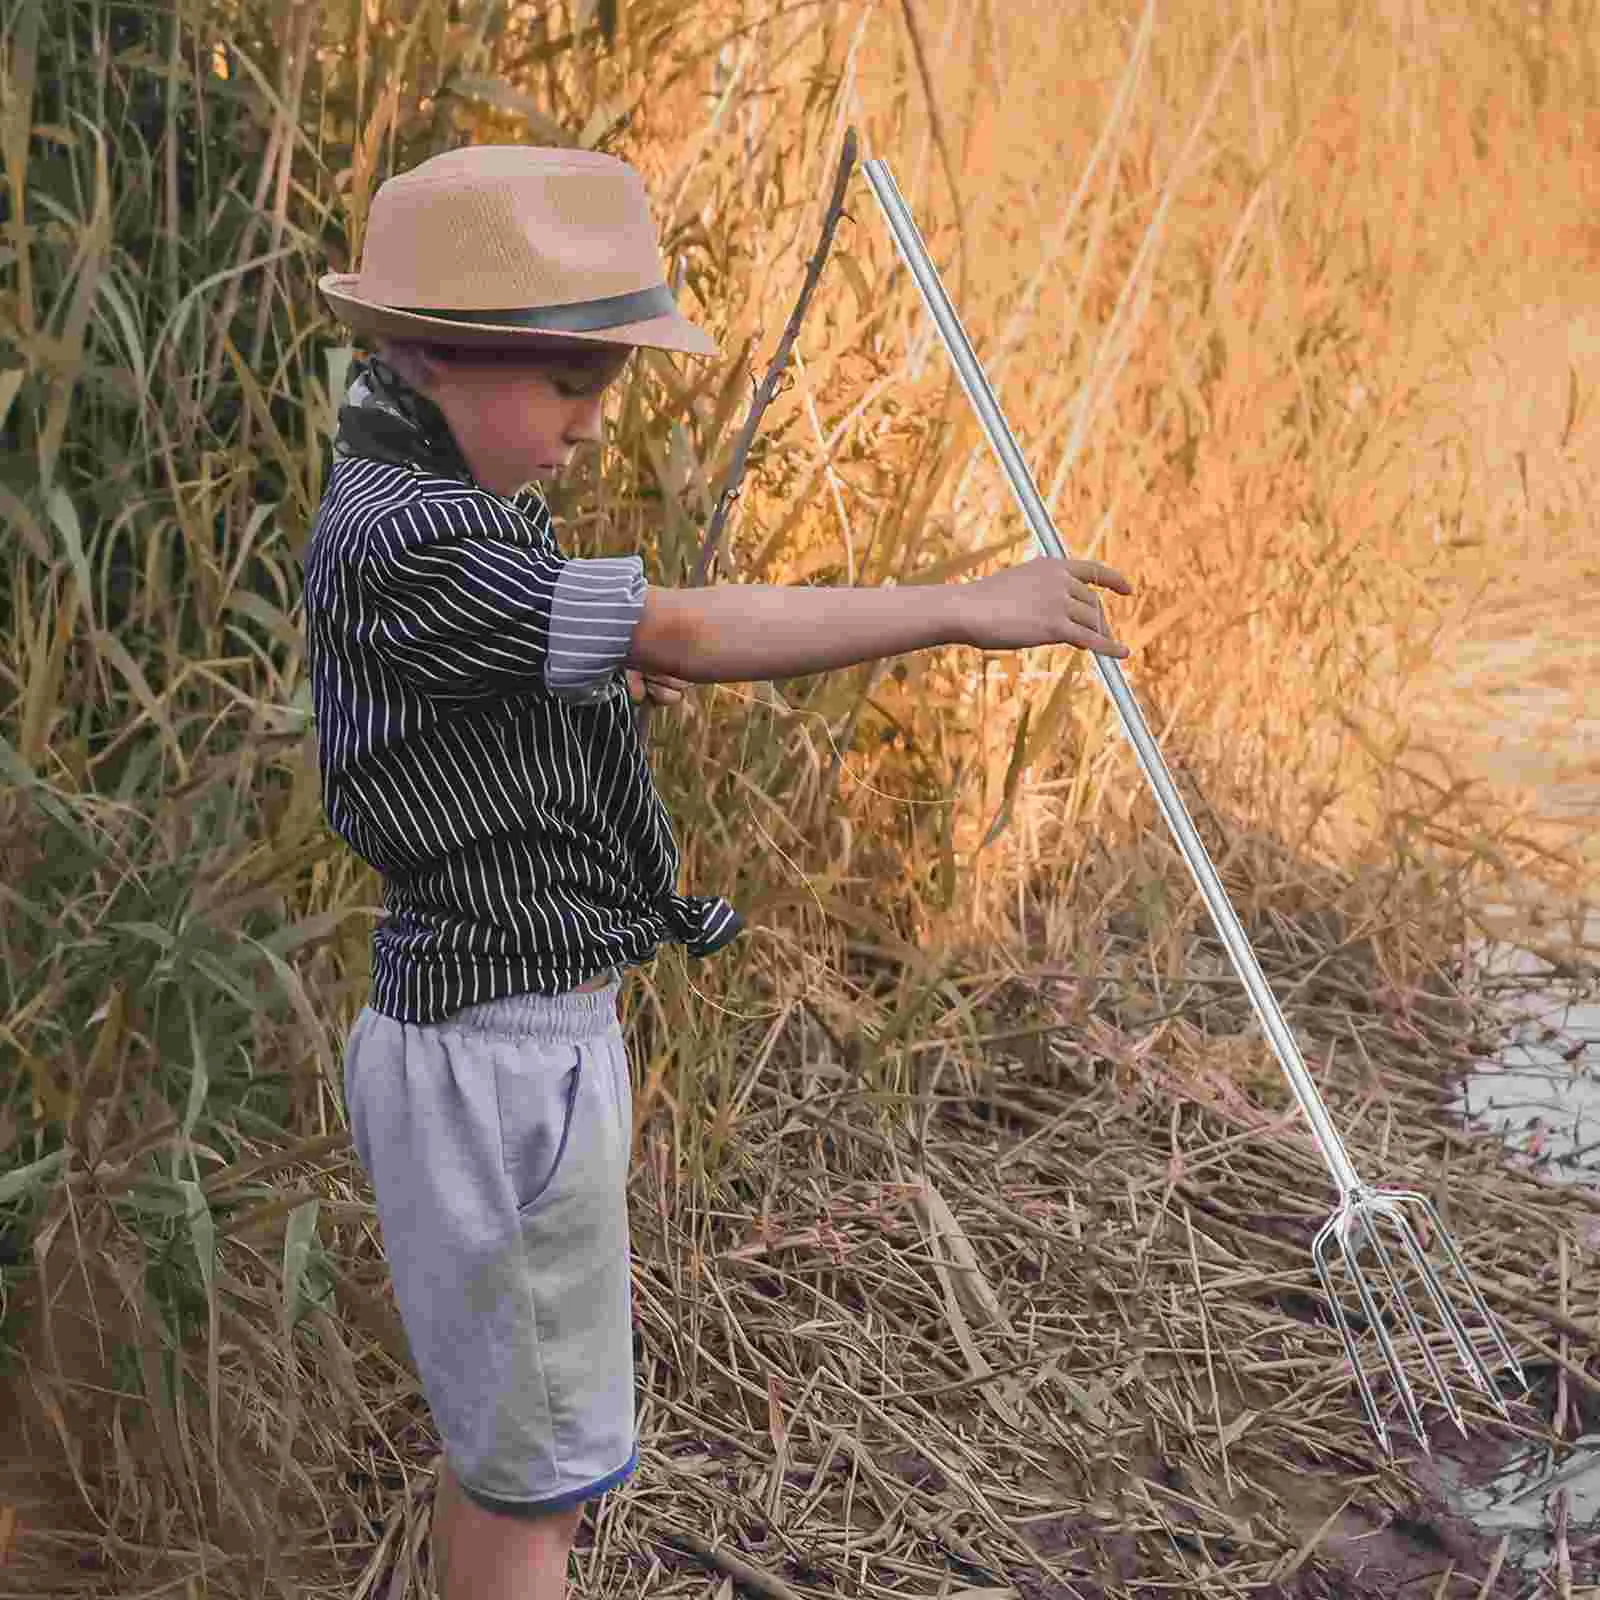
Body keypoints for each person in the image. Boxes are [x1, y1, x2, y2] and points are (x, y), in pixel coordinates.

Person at [307, 143, 1131, 1600]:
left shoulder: (424, 492)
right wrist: (959, 604)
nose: (588, 429)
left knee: (506, 1455)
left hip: (495, 1038)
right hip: (499, 1060)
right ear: (441, 354)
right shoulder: (417, 535)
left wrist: (578, 688)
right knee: (535, 1495)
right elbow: (674, 626)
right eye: (573, 387)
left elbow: (505, 681)